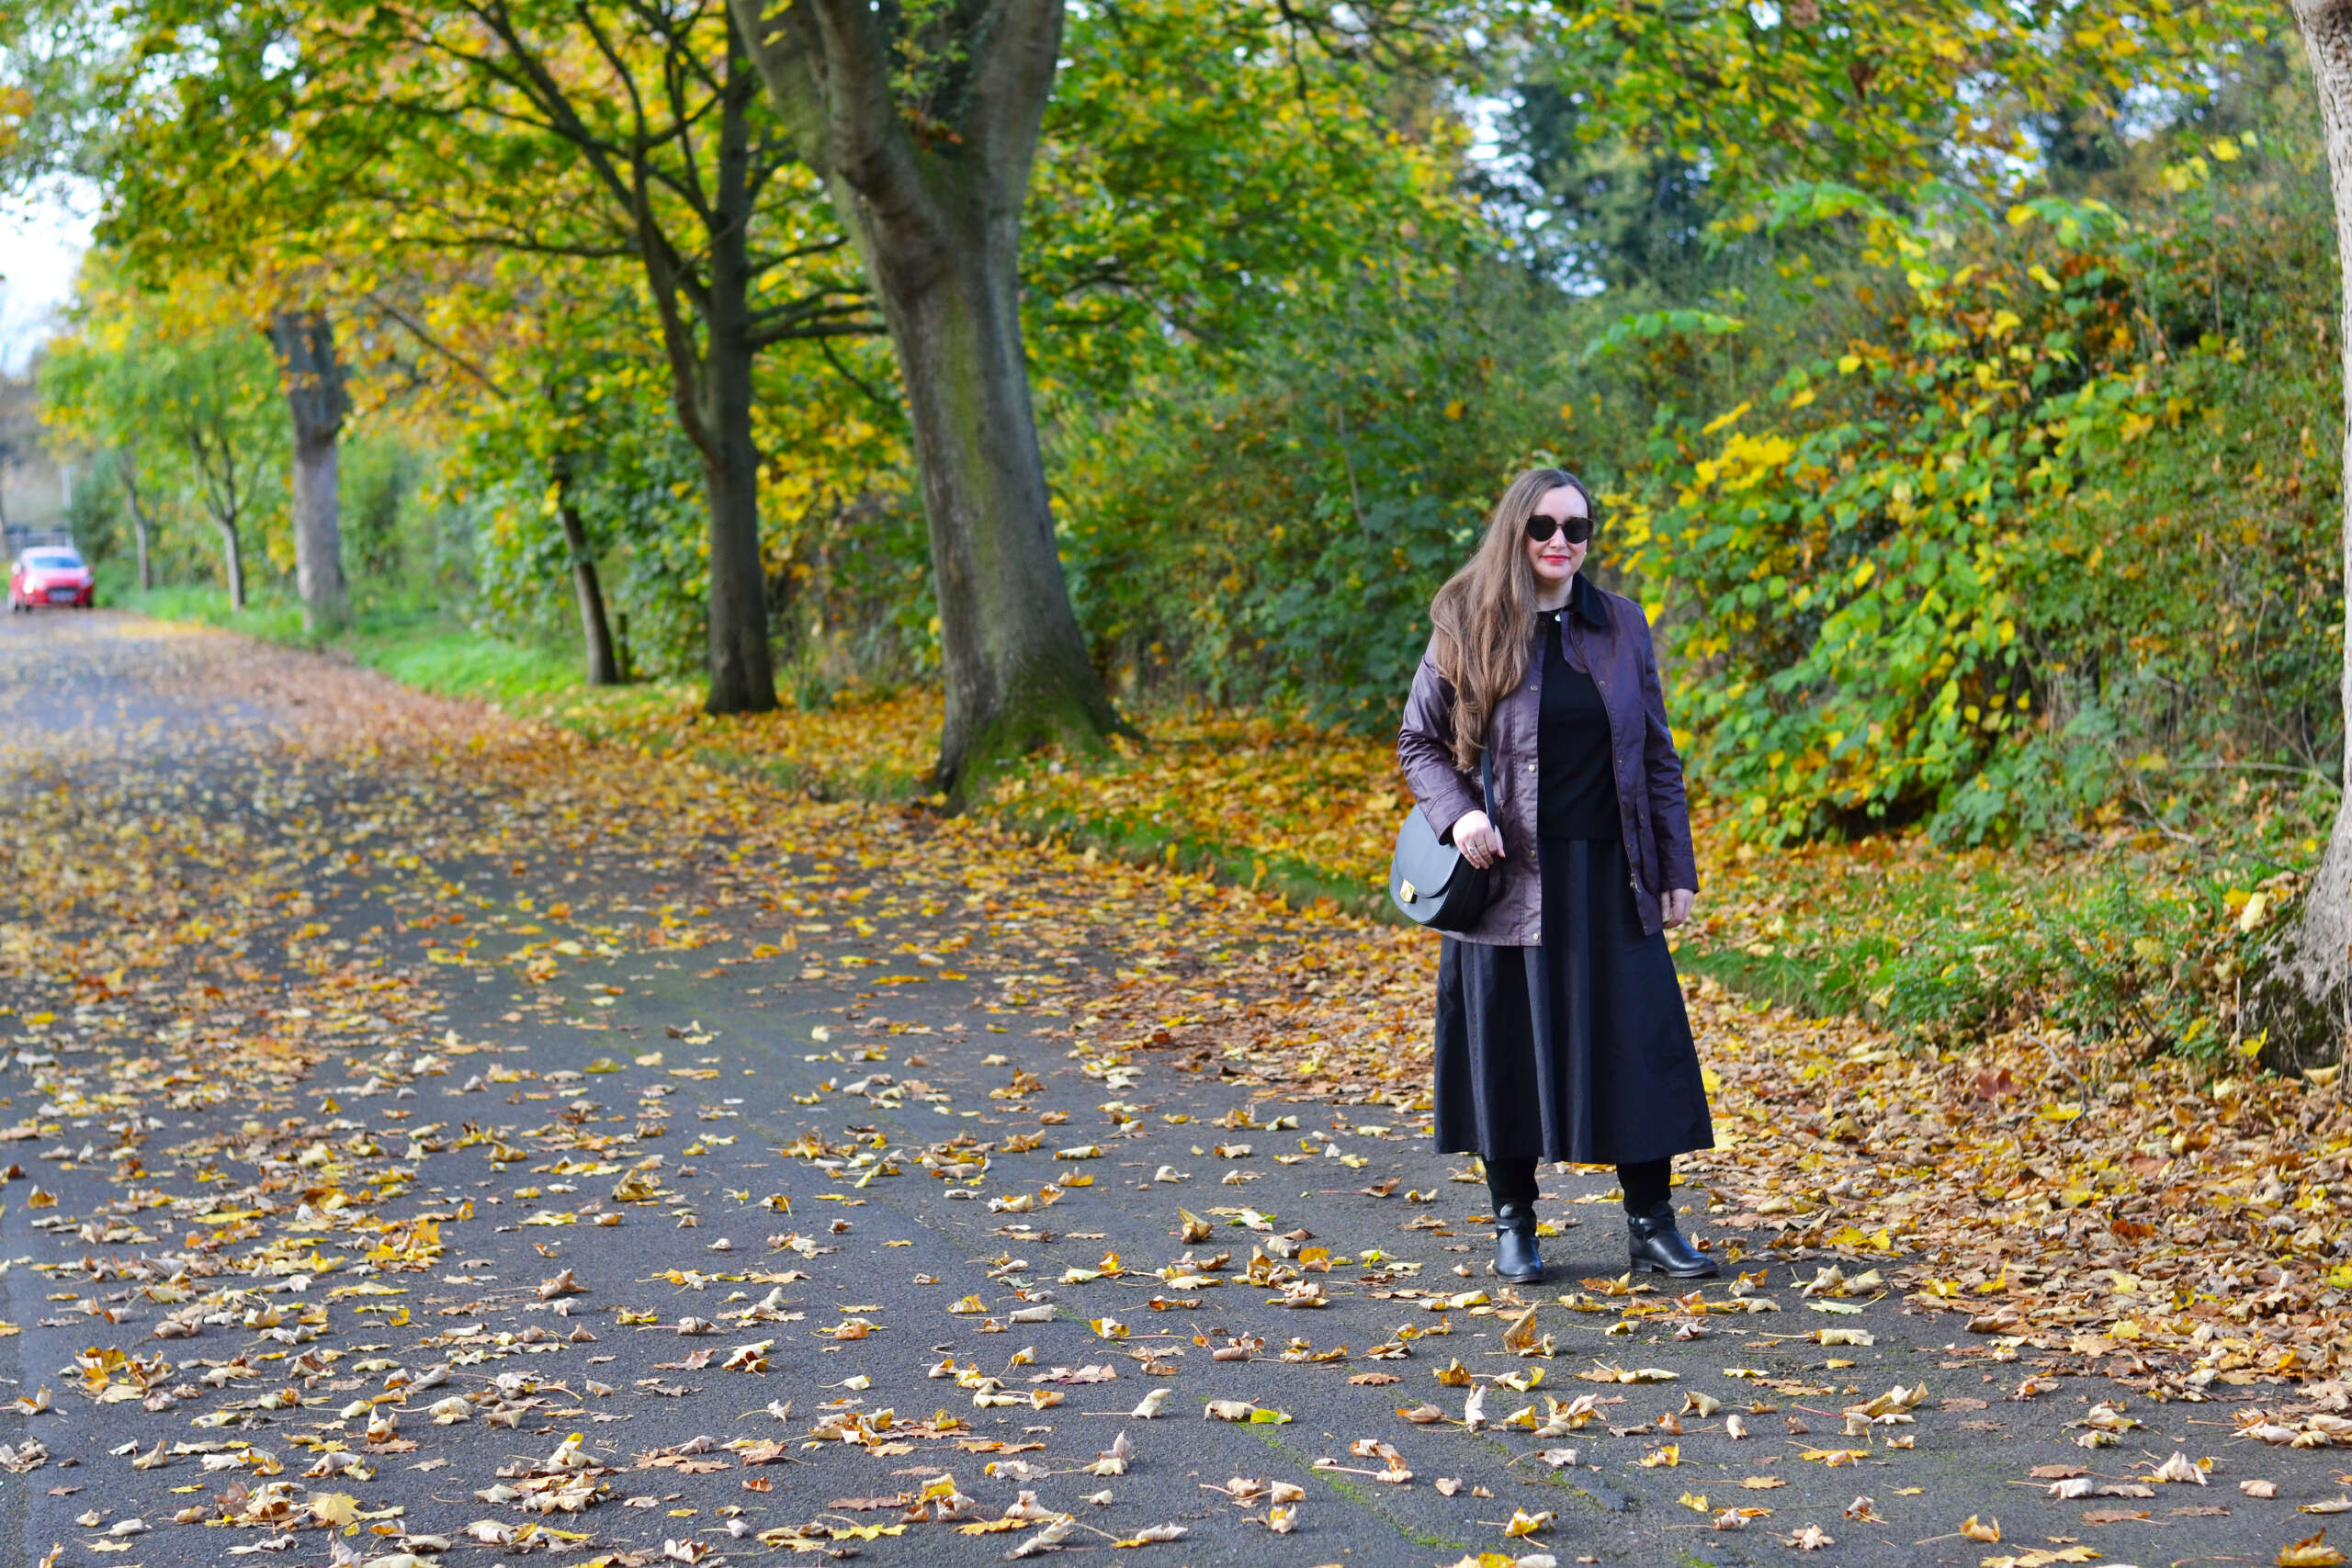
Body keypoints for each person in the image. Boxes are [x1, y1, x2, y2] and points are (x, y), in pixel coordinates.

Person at [1396, 467, 1716, 1282]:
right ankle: (1515, 1223)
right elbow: (1420, 743)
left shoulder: (1621, 625)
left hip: (1613, 877)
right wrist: (1460, 814)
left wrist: (1676, 865)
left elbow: (1654, 754)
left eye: (1577, 529)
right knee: (1506, 1047)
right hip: (1507, 877)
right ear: (1516, 528)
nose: (1560, 544)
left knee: (1638, 1047)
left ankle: (1651, 1222)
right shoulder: (1466, 621)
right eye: (1543, 526)